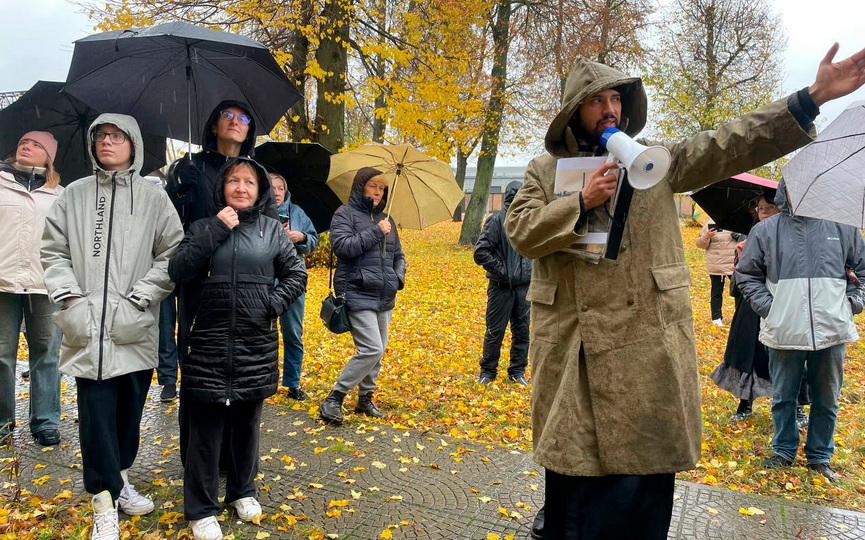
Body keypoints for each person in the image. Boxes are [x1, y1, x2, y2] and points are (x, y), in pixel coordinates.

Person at [503, 44, 865, 539]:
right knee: (575, 483)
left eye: (616, 99)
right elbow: (520, 232)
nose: (609, 109)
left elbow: (728, 143)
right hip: (574, 351)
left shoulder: (660, 160)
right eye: (596, 101)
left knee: (643, 481)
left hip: (646, 348)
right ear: (573, 111)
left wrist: (811, 97)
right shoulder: (543, 171)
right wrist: (581, 200)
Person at [41, 114, 184, 540]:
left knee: (128, 416)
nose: (107, 141)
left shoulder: (154, 198)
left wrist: (142, 295)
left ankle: (119, 481)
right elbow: (54, 251)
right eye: (101, 135)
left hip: (134, 326)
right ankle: (102, 501)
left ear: (134, 145)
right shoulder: (75, 195)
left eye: (116, 136)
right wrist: (69, 296)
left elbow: (172, 252)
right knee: (95, 418)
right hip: (87, 328)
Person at [168, 158, 307, 540]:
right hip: (208, 341)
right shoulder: (201, 227)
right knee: (205, 430)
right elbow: (178, 270)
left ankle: (242, 492)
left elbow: (296, 274)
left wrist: (272, 304)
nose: (241, 187)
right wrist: (216, 229)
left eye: (249, 182)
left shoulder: (271, 231)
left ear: (261, 191)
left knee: (247, 424)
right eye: (234, 181)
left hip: (254, 341)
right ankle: (200, 509)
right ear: (222, 187)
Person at [165, 101, 278, 464]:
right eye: (227, 116)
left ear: (250, 130)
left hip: (246, 292)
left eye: (243, 117)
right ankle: (197, 459)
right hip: (200, 286)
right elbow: (175, 232)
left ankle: (233, 461)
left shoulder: (255, 173)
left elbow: (270, 230)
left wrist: (270, 297)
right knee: (200, 377)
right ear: (213, 125)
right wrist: (179, 191)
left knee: (241, 374)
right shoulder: (190, 169)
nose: (235, 122)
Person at [736, 181, 865, 482]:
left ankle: (820, 456)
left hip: (831, 329)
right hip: (784, 329)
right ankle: (783, 450)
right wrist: (771, 308)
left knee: (827, 397)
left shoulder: (844, 227)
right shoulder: (765, 231)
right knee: (783, 395)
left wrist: (853, 302)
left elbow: (862, 270)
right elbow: (747, 275)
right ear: (785, 191)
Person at [710, 194, 812, 426]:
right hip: (752, 306)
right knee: (749, 352)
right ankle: (745, 403)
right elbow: (742, 278)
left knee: (790, 353)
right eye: (760, 208)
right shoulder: (751, 236)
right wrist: (741, 256)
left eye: (769, 207)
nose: (763, 212)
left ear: (782, 209)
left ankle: (796, 406)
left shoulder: (795, 235)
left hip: (785, 301)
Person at [319, 167, 406, 425]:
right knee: (371, 348)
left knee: (378, 351)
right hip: (356, 290)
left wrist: (397, 277)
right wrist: (377, 231)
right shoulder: (345, 213)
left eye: (382, 188)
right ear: (360, 188)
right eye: (373, 187)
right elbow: (343, 247)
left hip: (384, 293)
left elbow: (399, 255)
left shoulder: (386, 218)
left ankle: (365, 399)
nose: (378, 192)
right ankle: (334, 397)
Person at [0, 131, 63, 447]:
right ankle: (1, 423)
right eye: (23, 141)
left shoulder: (60, 195)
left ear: (49, 157)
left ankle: (46, 422)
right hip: (2, 282)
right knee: (1, 354)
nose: (26, 146)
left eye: (36, 145)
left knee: (47, 354)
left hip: (45, 285)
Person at [473, 180, 531, 385]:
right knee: (495, 331)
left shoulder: (528, 219)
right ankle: (488, 372)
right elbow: (480, 252)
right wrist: (503, 271)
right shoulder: (497, 220)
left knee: (522, 331)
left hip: (524, 288)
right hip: (501, 287)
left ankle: (517, 371)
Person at [270, 172, 319, 400]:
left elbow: (314, 240)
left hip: (293, 282)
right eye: (271, 187)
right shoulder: (256, 212)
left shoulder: (297, 212)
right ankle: (265, 380)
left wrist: (301, 237)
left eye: (280, 188)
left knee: (293, 333)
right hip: (264, 281)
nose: (276, 192)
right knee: (263, 334)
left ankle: (292, 383)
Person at [695, 222, 740, 326]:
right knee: (716, 292)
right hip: (716, 265)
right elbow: (700, 244)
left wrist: (738, 236)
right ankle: (716, 318)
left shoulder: (737, 224)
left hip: (733, 265)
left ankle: (739, 316)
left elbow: (745, 241)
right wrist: (707, 235)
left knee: (738, 291)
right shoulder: (709, 224)